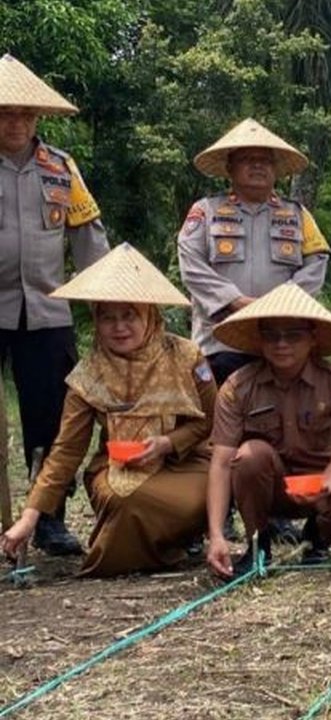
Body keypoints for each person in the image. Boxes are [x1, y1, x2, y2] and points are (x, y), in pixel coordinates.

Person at [0, 244, 210, 577]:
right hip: (117, 467)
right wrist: (30, 517)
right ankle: (163, 546)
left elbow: (210, 423)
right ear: (96, 321)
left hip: (184, 463)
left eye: (129, 315)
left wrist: (168, 444)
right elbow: (66, 452)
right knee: (127, 500)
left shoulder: (187, 356)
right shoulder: (89, 374)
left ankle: (179, 535)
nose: (119, 327)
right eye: (107, 317)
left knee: (198, 498)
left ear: (149, 315)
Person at [0, 54, 111, 555]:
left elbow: (90, 239)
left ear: (38, 117)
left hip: (47, 312)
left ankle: (47, 519)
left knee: (51, 419)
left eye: (25, 114)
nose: (16, 122)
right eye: (5, 113)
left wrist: (107, 302)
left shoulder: (61, 169)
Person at [203, 282, 331, 578]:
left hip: (321, 484)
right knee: (250, 455)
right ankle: (258, 543)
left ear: (312, 339)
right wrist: (216, 534)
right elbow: (222, 462)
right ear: (260, 340)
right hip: (269, 486)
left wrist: (324, 486)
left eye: (293, 335)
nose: (282, 344)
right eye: (271, 335)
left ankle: (317, 538)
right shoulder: (237, 388)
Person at [177, 118, 329, 385]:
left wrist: (281, 306)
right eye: (247, 158)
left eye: (266, 160)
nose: (257, 165)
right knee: (218, 420)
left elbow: (317, 263)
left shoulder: (297, 214)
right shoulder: (205, 211)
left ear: (276, 169)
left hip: (282, 342)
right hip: (219, 344)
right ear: (230, 167)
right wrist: (235, 301)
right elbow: (191, 264)